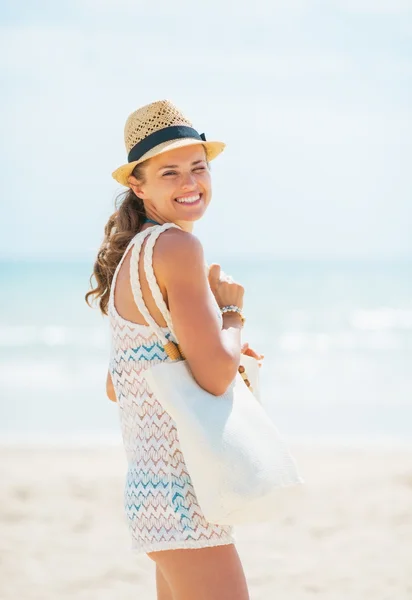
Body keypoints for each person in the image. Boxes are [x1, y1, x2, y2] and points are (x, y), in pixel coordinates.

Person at [86, 99, 263, 600]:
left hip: (151, 494)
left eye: (198, 168)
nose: (190, 184)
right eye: (170, 173)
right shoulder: (178, 249)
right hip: (186, 493)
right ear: (138, 186)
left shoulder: (132, 256)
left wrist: (213, 346)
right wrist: (231, 315)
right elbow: (214, 378)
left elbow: (117, 384)